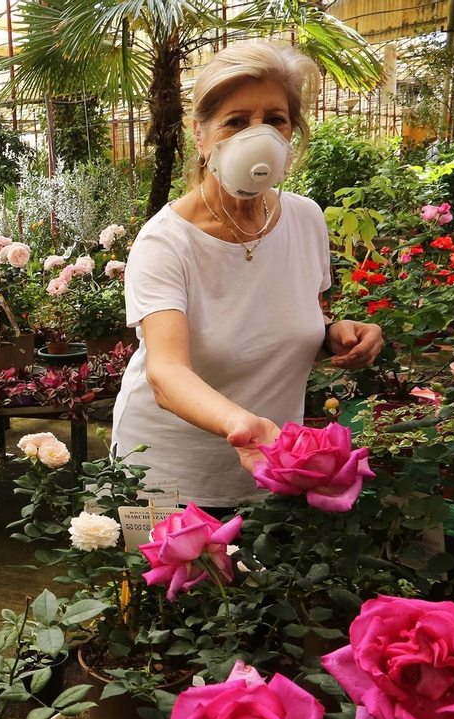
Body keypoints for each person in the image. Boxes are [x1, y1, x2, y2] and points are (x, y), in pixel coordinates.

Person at [110, 41, 383, 510]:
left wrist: (333, 335)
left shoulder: (305, 219)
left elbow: (280, 322)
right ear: (200, 135)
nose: (258, 136)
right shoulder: (166, 242)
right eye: (236, 122)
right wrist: (244, 425)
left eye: (275, 120)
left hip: (270, 468)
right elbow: (166, 371)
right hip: (166, 477)